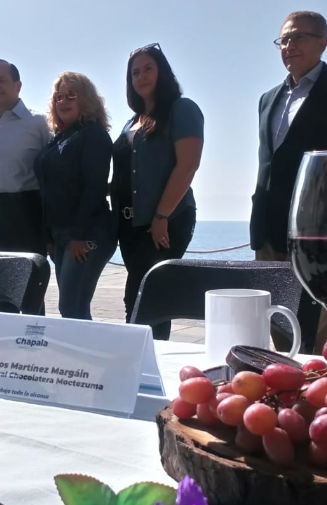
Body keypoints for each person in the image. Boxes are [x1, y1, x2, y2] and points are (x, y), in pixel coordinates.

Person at [250, 11, 327, 350]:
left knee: (318, 332)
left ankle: (320, 392)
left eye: (298, 37)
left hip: (320, 230)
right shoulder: (268, 99)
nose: (289, 45)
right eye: (284, 39)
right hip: (268, 231)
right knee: (276, 322)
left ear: (322, 42)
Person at [112, 44, 204, 339]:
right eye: (135, 72)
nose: (141, 76)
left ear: (162, 71)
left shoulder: (182, 108)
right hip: (130, 226)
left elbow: (188, 166)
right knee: (135, 297)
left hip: (166, 222)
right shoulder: (131, 121)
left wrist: (161, 216)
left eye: (148, 68)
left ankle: (149, 368)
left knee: (151, 299)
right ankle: (140, 363)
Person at [34, 72, 115, 320]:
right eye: (59, 96)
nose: (63, 101)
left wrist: (79, 236)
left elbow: (95, 187)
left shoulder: (93, 135)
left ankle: (88, 358)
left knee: (72, 308)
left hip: (87, 234)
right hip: (61, 235)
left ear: (86, 99)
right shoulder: (59, 138)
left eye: (71, 94)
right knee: (71, 308)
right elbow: (50, 189)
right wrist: (49, 235)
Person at [0, 58, 52, 313]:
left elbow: (53, 172)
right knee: (1, 289)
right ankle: (7, 347)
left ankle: (34, 347)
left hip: (28, 211)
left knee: (31, 290)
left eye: (1, 80)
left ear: (18, 85)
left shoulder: (39, 123)